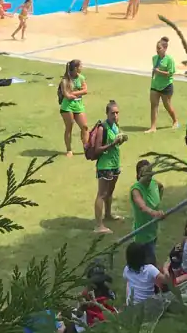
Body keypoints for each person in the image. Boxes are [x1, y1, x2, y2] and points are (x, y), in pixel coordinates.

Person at [92, 99, 126, 233]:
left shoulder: (115, 126)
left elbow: (116, 144)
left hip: (115, 164)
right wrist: (113, 143)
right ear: (107, 114)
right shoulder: (103, 128)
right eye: (113, 113)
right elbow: (97, 149)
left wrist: (121, 140)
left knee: (110, 192)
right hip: (105, 165)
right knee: (101, 194)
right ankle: (98, 225)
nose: (115, 115)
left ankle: (108, 214)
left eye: (117, 113)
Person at [129, 159, 165, 266]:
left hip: (153, 230)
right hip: (141, 234)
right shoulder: (136, 189)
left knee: (148, 261)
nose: (149, 177)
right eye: (146, 174)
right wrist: (155, 213)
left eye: (151, 173)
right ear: (139, 174)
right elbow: (142, 207)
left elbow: (161, 187)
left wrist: (157, 204)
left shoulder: (154, 184)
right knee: (149, 263)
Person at [123, 239, 169, 305]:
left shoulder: (126, 269)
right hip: (148, 306)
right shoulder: (150, 269)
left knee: (128, 282)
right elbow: (166, 280)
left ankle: (128, 302)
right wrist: (165, 268)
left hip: (132, 306)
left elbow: (127, 281)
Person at [148, 36, 179, 132]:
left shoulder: (169, 60)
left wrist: (159, 72)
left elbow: (170, 73)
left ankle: (175, 121)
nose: (157, 50)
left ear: (165, 48)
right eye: (156, 48)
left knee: (167, 105)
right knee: (154, 105)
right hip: (155, 85)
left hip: (166, 86)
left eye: (159, 48)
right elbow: (154, 69)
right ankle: (153, 127)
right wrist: (154, 74)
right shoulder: (154, 58)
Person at [58, 60, 89, 156]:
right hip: (67, 107)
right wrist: (72, 94)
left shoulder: (81, 78)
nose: (82, 68)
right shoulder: (65, 80)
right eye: (80, 66)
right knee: (69, 127)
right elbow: (67, 95)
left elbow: (85, 90)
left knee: (84, 127)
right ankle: (69, 150)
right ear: (76, 68)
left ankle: (86, 148)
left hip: (78, 106)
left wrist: (74, 93)